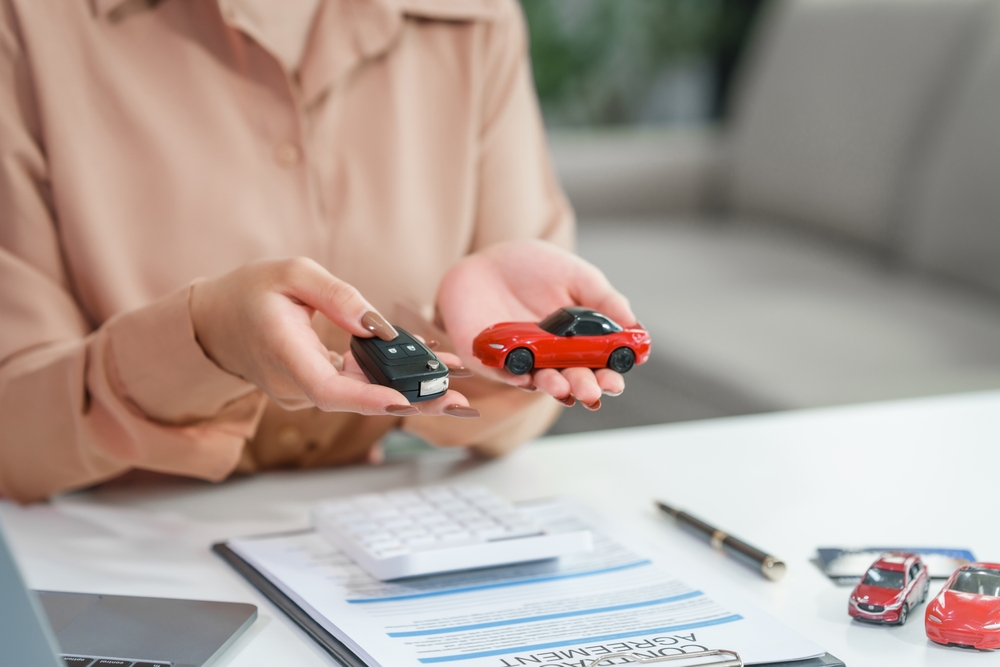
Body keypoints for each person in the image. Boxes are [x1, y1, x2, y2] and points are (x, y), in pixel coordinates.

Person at [0, 0, 636, 503]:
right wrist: (204, 342)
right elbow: (14, 442)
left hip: (387, 537)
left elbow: (519, 416)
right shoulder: (29, 24)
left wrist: (487, 357)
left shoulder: (477, 18)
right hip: (114, 561)